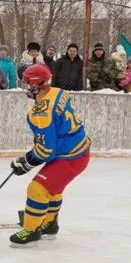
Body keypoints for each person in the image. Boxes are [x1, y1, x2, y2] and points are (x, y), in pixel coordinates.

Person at [10, 64, 91, 248]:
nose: (26, 89)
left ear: (38, 85)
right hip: (78, 151)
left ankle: (31, 231)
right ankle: (49, 224)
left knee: (37, 189)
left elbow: (47, 150)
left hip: (70, 156)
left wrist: (27, 161)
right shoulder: (58, 92)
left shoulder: (40, 113)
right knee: (53, 188)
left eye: (28, 85)